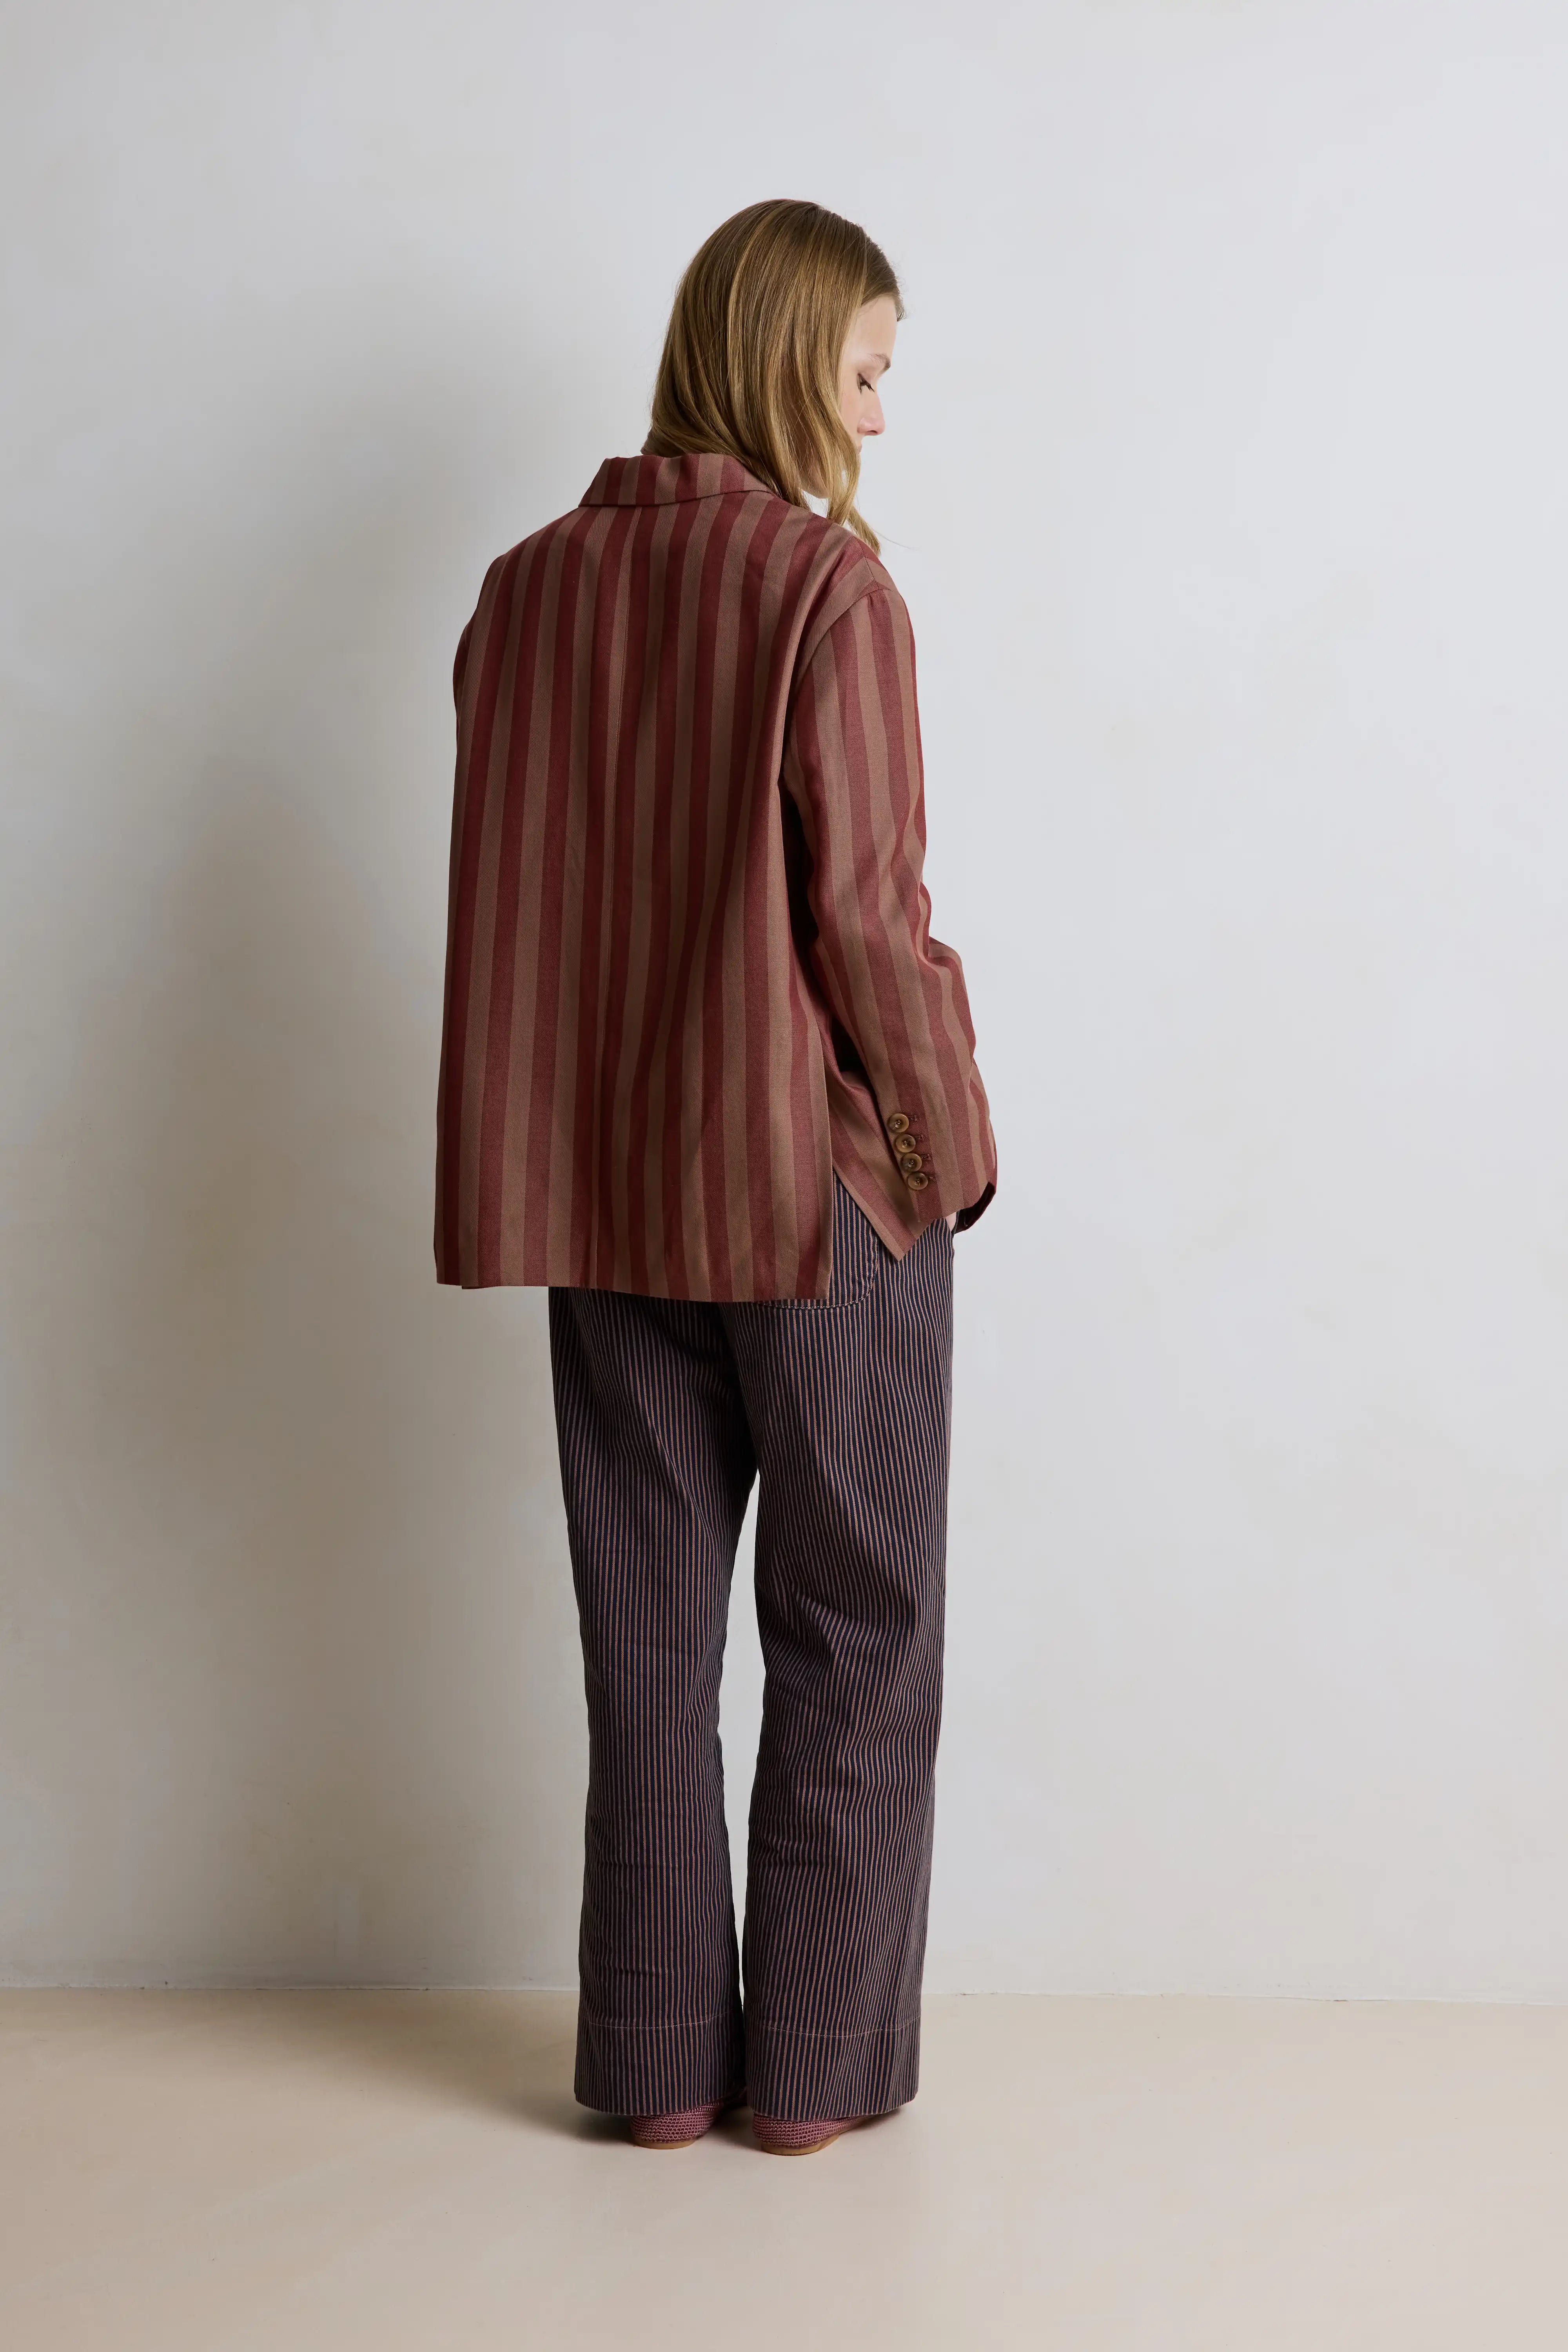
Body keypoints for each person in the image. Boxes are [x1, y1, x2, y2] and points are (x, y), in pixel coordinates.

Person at [434, 199, 996, 2156]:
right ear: (781, 361)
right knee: (858, 1635)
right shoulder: (826, 591)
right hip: (811, 1193)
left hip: (600, 1199)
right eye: (865, 371)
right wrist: (951, 1157)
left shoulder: (521, 591)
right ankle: (814, 2079)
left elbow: (530, 901)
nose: (878, 415)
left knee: (650, 1653)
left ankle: (661, 2067)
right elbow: (869, 922)